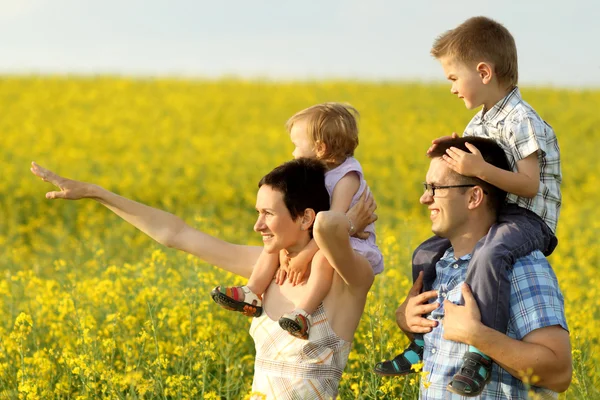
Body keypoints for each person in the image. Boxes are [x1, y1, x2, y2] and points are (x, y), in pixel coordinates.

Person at [30, 157, 377, 400]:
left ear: (305, 219)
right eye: (258, 213)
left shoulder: (346, 281)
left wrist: (347, 222)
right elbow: (176, 234)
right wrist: (97, 193)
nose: (257, 226)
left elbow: (328, 227)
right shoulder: (267, 269)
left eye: (268, 214)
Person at [375, 16, 562, 397]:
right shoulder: (481, 120)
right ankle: (419, 342)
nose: (452, 89)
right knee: (426, 250)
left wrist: (478, 168)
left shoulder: (523, 118)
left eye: (453, 78)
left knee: (492, 254)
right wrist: (405, 315)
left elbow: (527, 184)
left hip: (528, 218)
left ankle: (479, 355)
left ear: (483, 71)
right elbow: (483, 157)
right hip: (502, 216)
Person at [383, 137, 571, 399]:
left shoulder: (521, 267)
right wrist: (406, 320)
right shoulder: (442, 266)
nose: (424, 198)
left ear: (474, 197)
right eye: (427, 187)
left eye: (436, 188)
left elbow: (559, 374)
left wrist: (478, 337)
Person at [211, 103, 383, 340]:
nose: (292, 153)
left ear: (321, 148)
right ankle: (252, 291)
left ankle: (302, 314)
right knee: (273, 247)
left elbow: (332, 226)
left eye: (296, 146)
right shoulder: (318, 170)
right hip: (323, 236)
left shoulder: (347, 177)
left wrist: (303, 256)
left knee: (323, 258)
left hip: (349, 244)